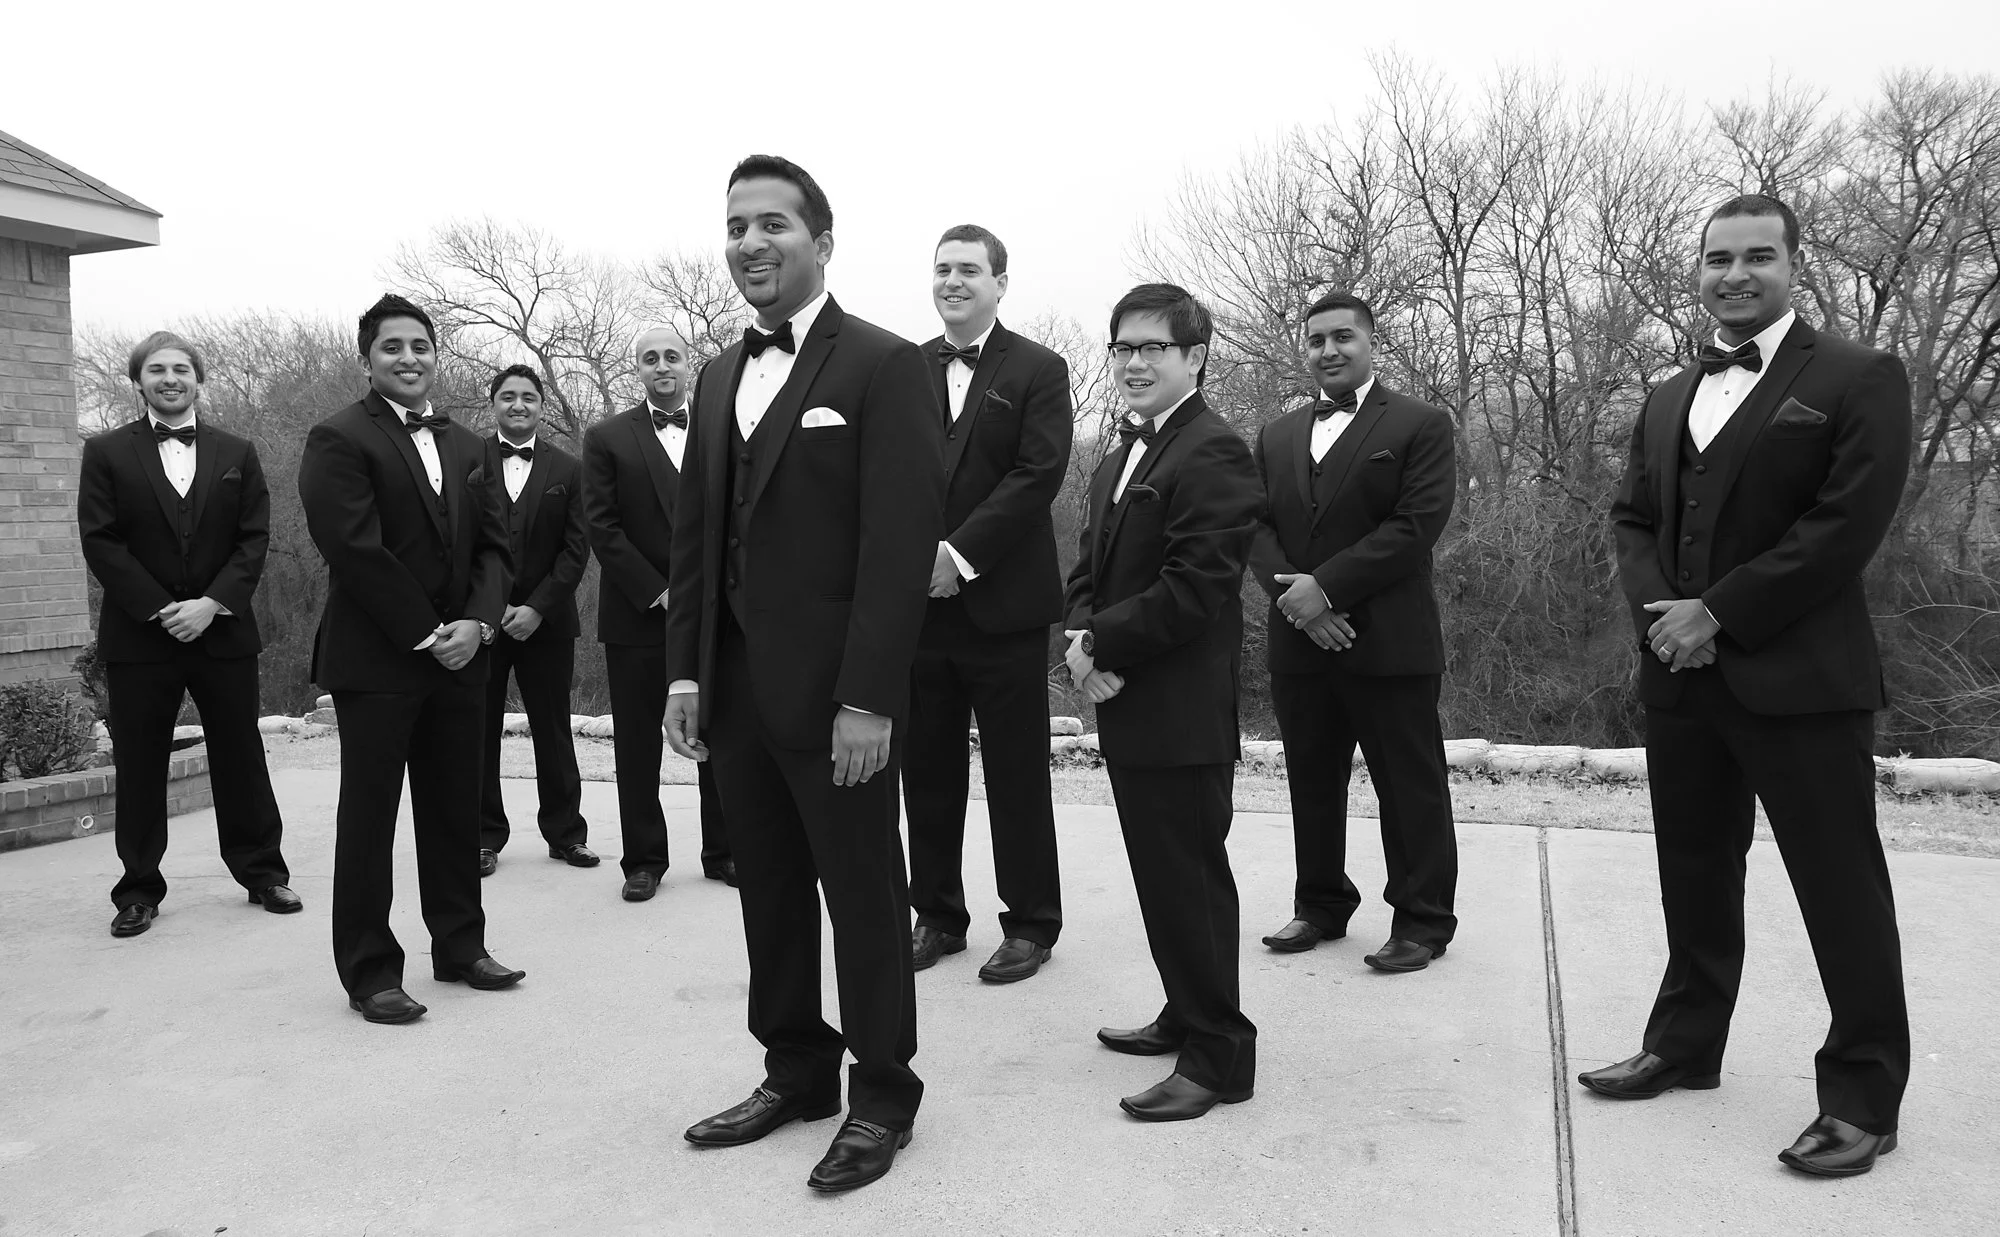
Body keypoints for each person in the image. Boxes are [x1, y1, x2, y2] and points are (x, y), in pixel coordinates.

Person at [1588, 194, 1912, 1178]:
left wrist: (1715, 611)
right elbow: (1633, 521)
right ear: (1697, 271)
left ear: (1790, 266)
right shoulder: (1665, 392)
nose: (1733, 275)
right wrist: (1665, 620)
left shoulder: (1857, 377)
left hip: (1800, 682)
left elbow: (1841, 525)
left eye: (1755, 257)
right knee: (1690, 871)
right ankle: (1684, 1044)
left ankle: (1861, 1097)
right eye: (1716, 259)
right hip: (1680, 680)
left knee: (1837, 889)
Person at [664, 155, 941, 1192]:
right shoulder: (715, 376)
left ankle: (882, 1097)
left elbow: (895, 544)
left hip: (838, 703)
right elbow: (696, 539)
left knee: (864, 898)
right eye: (734, 225)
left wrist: (869, 695)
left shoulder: (882, 365)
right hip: (733, 694)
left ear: (821, 241)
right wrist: (687, 677)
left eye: (771, 223)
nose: (748, 242)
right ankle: (794, 1068)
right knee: (768, 893)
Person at [1062, 283, 1263, 1122]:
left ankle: (1219, 1056)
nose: (1135, 362)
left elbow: (1195, 587)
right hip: (1128, 705)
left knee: (1191, 882)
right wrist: (1079, 640)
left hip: (1180, 715)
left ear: (1195, 357)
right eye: (1123, 348)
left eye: (1153, 348)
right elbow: (1086, 568)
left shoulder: (1212, 451)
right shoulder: (1121, 455)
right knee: (1160, 878)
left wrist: (1099, 645)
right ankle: (1185, 1013)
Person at [298, 293, 524, 1024]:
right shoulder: (337, 438)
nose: (409, 358)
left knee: (456, 809)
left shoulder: (468, 444)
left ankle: (460, 946)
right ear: (368, 357)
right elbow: (354, 549)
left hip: (465, 657)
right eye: (392, 347)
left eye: (420, 346)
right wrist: (431, 631)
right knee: (369, 818)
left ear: (436, 354)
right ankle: (370, 970)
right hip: (380, 661)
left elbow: (496, 546)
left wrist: (480, 625)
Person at [1248, 292, 1459, 973]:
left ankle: (1422, 919)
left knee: (1409, 785)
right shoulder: (1276, 435)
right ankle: (1320, 903)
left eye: (1343, 337)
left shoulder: (1420, 424)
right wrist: (1300, 604)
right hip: (1300, 644)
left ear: (1371, 342)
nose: (1329, 350)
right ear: (1302, 348)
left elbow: (1414, 525)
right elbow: (1256, 528)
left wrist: (1326, 589)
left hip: (1390, 643)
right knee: (1311, 780)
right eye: (1316, 340)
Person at [77, 330, 297, 938]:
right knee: (141, 762)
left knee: (240, 756)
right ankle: (139, 890)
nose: (169, 378)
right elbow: (100, 540)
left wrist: (211, 604)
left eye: (180, 368)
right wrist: (159, 608)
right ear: (138, 380)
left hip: (222, 632)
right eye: (156, 369)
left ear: (199, 379)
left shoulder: (238, 451)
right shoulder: (105, 452)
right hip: (139, 637)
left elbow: (254, 538)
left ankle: (262, 873)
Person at [906, 224, 1071, 982]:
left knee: (1014, 774)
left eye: (969, 270)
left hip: (1004, 606)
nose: (953, 281)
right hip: (917, 610)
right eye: (943, 269)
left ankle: (1032, 922)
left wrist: (958, 556)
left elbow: (1037, 475)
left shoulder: (1039, 368)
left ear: (1000, 282)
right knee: (927, 773)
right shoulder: (901, 368)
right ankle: (937, 914)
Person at [582, 326, 734, 899]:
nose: (662, 366)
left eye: (672, 356)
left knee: (719, 734)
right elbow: (602, 525)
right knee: (638, 746)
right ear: (637, 369)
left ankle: (725, 850)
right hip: (638, 616)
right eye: (650, 359)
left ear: (687, 362)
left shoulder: (723, 428)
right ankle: (643, 860)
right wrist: (663, 590)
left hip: (717, 615)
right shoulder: (607, 438)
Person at [477, 364, 596, 876]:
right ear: (494, 404)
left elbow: (576, 549)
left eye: (528, 397)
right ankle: (483, 838)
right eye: (508, 397)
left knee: (553, 730)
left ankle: (566, 834)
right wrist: (491, 605)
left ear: (542, 406)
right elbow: (460, 543)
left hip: (547, 623)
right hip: (480, 622)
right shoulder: (468, 460)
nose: (518, 405)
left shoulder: (569, 470)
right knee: (478, 732)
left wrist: (536, 608)